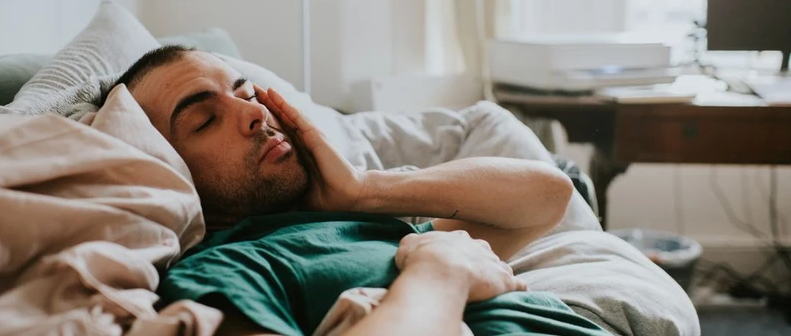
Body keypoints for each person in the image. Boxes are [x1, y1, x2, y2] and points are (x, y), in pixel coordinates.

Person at [113, 46, 609, 335]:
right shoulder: (223, 271)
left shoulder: (352, 222)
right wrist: (443, 274)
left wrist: (363, 190)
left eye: (246, 93)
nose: (253, 113)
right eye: (204, 120)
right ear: (166, 166)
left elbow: (547, 198)